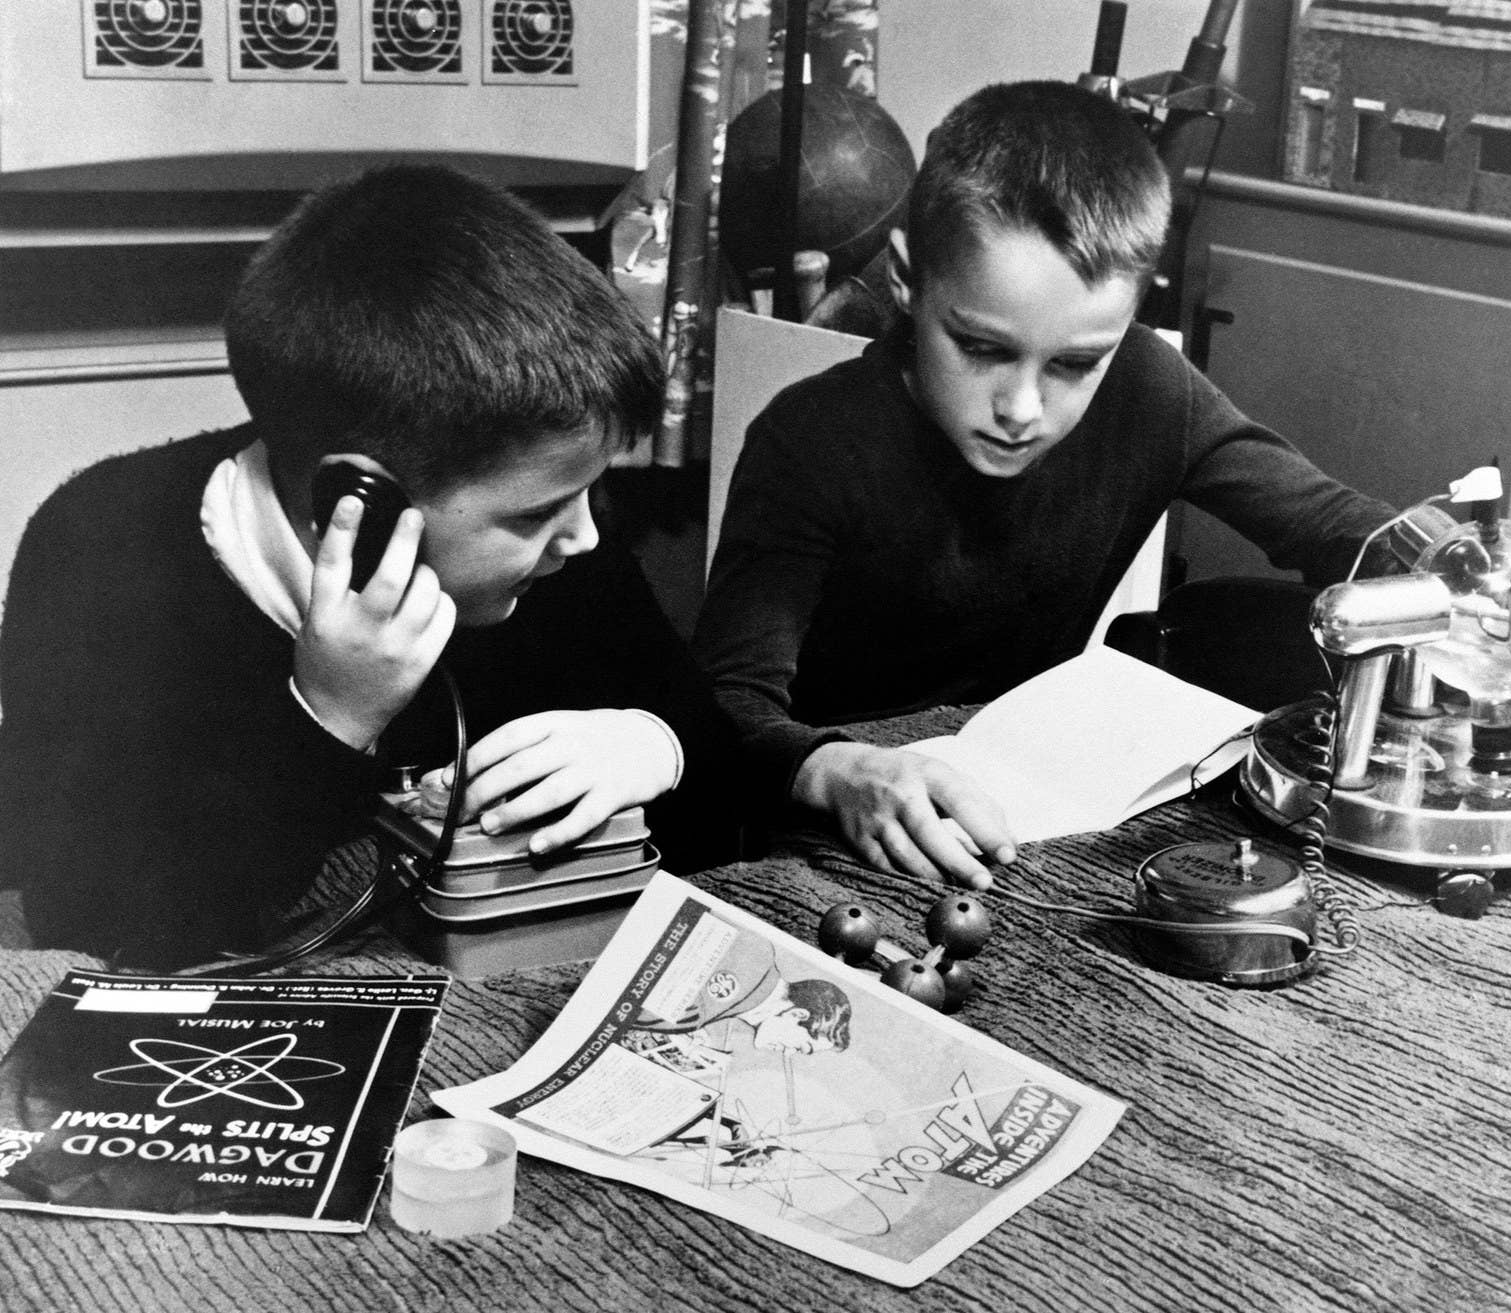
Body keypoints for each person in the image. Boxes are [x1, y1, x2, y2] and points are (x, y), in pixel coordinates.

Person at [0, 164, 745, 968]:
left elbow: (717, 759)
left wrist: (650, 745)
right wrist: (329, 716)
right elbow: (98, 921)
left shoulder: (556, 537)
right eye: (534, 514)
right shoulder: (98, 549)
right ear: (364, 498)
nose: (586, 538)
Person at [693, 81, 1397, 892]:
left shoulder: (1151, 389)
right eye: (982, 348)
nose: (1022, 410)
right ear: (905, 281)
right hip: (829, 831)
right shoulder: (809, 440)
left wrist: (1450, 568)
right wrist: (837, 769)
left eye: (1073, 364)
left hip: (1032, 813)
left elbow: (1335, 525)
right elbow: (721, 707)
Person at [629, 932, 852, 1055]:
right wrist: (684, 1025)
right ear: (797, 1015)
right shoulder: (691, 1014)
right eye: (803, 1047)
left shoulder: (761, 945)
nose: (789, 1053)